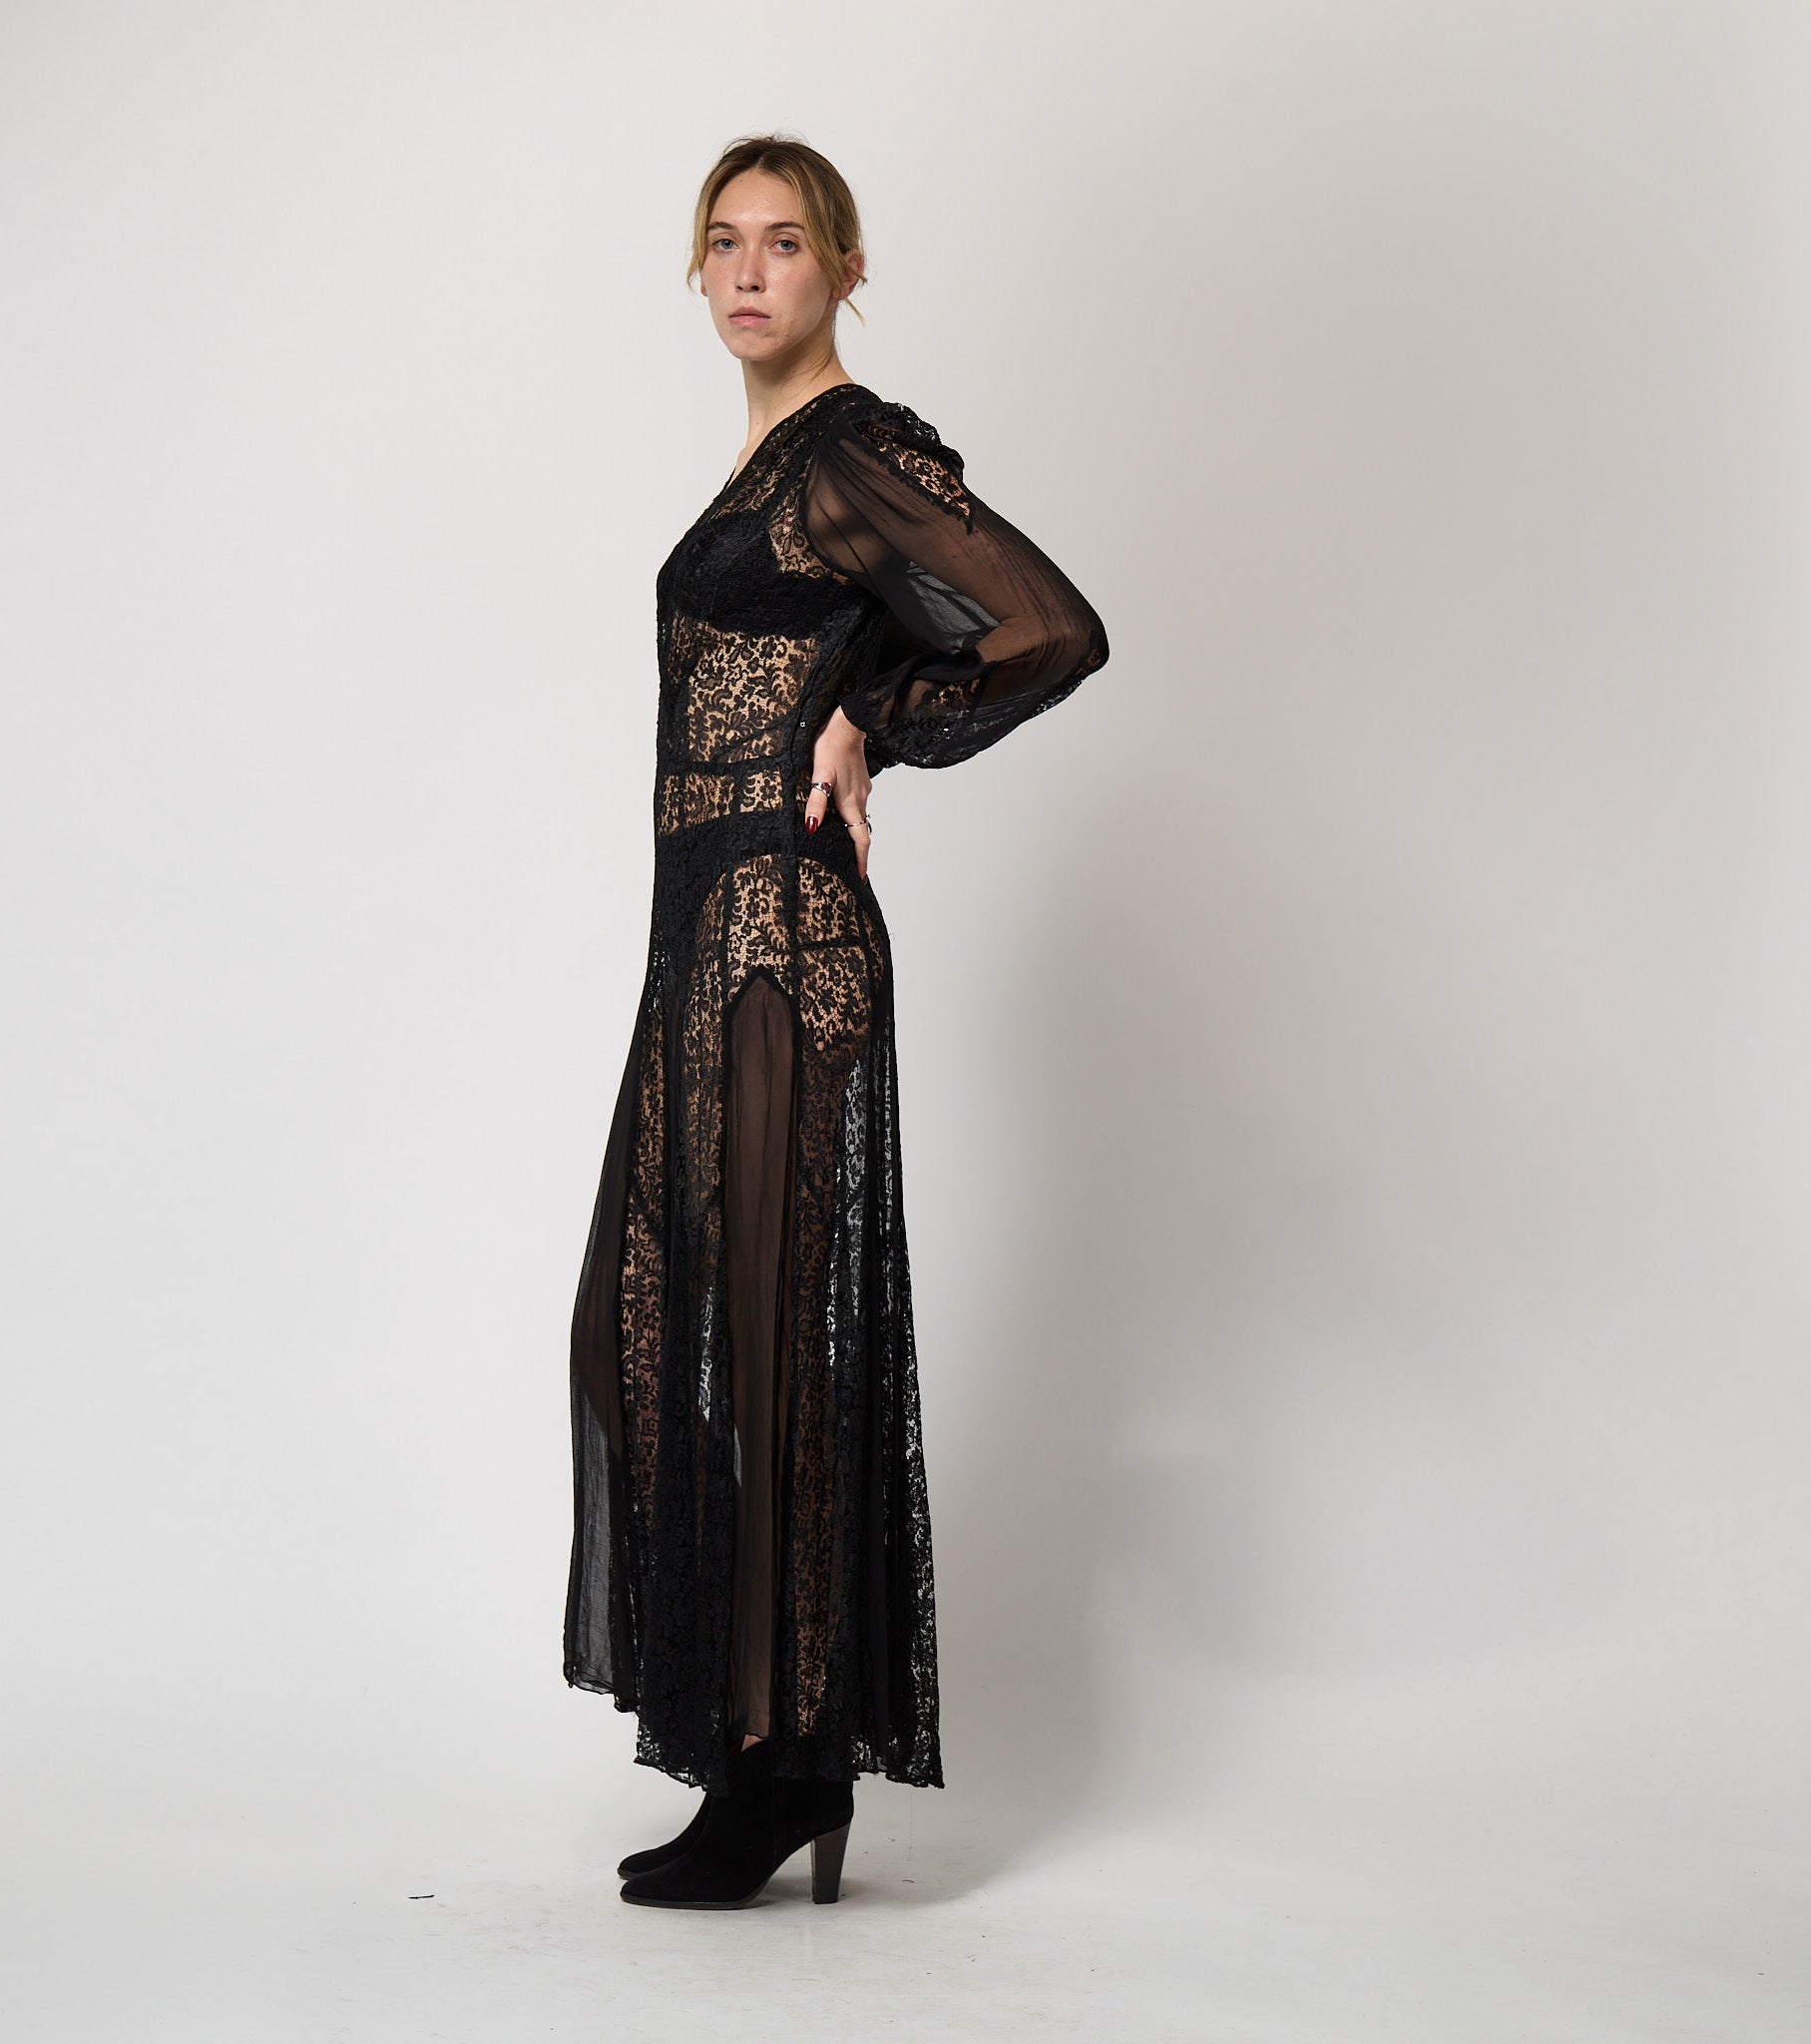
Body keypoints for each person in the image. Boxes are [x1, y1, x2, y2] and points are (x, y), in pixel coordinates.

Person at [564, 133, 1109, 1909]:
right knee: (646, 1329)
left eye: (785, 242)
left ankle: (781, 1773)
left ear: (843, 270)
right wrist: (857, 690)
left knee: (769, 1345)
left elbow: (1046, 629)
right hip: (701, 931)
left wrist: (872, 714)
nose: (748, 272)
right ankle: (772, 1758)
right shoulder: (769, 465)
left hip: (780, 938)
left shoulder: (851, 451)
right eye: (723, 242)